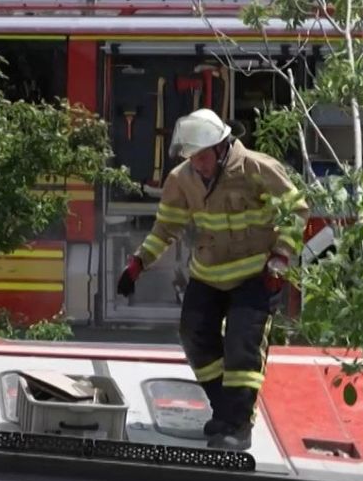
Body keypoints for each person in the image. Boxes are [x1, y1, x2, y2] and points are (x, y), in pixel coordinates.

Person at [116, 109, 309, 451]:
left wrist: (280, 257)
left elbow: (296, 210)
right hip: (207, 274)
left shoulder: (257, 168)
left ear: (221, 147)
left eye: (203, 157)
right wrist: (138, 264)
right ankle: (225, 410)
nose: (199, 165)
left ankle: (238, 426)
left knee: (241, 347)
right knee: (194, 336)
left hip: (254, 276)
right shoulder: (182, 179)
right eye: (193, 158)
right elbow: (166, 227)